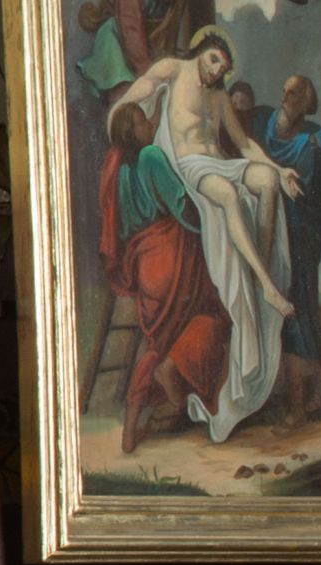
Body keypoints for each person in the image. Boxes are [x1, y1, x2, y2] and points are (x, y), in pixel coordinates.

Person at [119, 29, 298, 437]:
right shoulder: (173, 69)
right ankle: (267, 285)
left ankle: (259, 266)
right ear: (201, 51)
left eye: (224, 67)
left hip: (220, 164)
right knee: (230, 197)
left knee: (267, 184)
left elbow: (243, 143)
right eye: (215, 60)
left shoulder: (219, 98)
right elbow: (141, 88)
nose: (218, 71)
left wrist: (279, 167)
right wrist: (119, 112)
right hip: (192, 168)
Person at [96, 100, 230, 450]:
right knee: (212, 315)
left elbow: (119, 225)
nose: (151, 125)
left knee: (157, 343)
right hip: (172, 255)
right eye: (144, 122)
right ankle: (173, 374)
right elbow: (181, 204)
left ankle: (131, 426)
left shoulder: (118, 167)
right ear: (133, 130)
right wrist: (213, 225)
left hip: (144, 263)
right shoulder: (152, 155)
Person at [262, 69, 321, 405]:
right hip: (276, 231)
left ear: (306, 100)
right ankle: (316, 386)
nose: (286, 98)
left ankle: (309, 394)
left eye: (294, 93)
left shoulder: (314, 141)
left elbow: (320, 195)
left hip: (302, 235)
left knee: (299, 306)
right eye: (284, 91)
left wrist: (299, 196)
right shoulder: (270, 130)